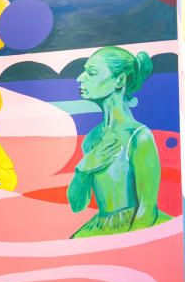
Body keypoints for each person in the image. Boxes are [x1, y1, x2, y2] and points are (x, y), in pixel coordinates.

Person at [67, 46, 172, 238]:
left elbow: (147, 210)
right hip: (101, 226)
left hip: (135, 227)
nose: (80, 78)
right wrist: (83, 169)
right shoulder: (92, 138)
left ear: (120, 80)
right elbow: (77, 205)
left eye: (91, 73)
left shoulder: (139, 136)